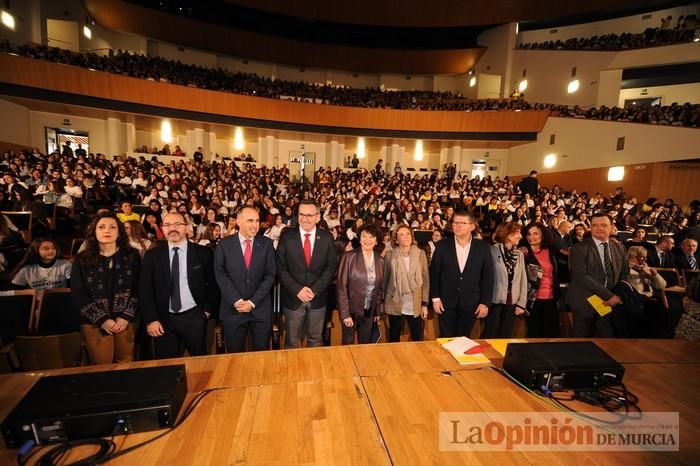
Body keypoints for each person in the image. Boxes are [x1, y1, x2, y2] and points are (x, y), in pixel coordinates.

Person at [139, 212, 219, 359]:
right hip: (163, 321)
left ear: (186, 227)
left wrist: (206, 312)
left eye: (177, 224)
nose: (172, 229)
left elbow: (214, 286)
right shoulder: (152, 256)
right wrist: (151, 319)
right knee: (166, 368)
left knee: (200, 363)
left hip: (194, 317)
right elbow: (145, 291)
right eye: (167, 225)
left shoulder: (203, 253)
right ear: (162, 229)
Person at [71, 212, 140, 364]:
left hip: (126, 321)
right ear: (94, 232)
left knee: (126, 362)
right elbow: (78, 294)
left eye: (112, 227)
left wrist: (126, 316)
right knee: (102, 365)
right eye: (101, 227)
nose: (106, 231)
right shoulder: (82, 259)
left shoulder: (132, 256)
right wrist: (102, 320)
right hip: (94, 322)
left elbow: (139, 289)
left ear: (119, 232)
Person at [276, 199, 337, 348]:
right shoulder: (287, 237)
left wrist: (314, 290)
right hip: (292, 298)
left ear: (317, 217)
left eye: (309, 215)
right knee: (291, 341)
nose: (304, 219)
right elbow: (280, 267)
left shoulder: (327, 238)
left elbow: (331, 268)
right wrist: (298, 289)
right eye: (301, 214)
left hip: (318, 298)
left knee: (315, 341)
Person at [215, 206, 276, 352]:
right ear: (238, 222)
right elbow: (220, 274)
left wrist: (252, 302)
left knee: (262, 356)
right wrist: (236, 300)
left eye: (257, 221)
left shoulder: (267, 244)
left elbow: (270, 275)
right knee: (235, 356)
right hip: (233, 309)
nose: (254, 225)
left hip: (260, 309)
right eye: (250, 220)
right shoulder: (224, 244)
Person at [429, 210, 493, 338]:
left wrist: (485, 303)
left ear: (472, 226)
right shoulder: (442, 246)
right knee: (446, 339)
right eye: (455, 222)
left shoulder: (483, 247)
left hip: (471, 303)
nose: (457, 226)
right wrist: (435, 298)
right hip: (446, 302)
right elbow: (434, 274)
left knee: (464, 340)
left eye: (462, 223)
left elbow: (488, 277)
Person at [567, 212, 629, 337]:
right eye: (595, 225)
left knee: (608, 339)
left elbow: (624, 273)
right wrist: (608, 295)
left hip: (609, 303)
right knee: (581, 341)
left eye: (604, 225)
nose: (599, 228)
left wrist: (617, 295)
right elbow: (580, 276)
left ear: (611, 227)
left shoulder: (620, 248)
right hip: (586, 300)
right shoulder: (579, 248)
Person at [337, 224, 384, 344]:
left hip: (369, 310)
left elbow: (379, 290)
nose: (367, 240)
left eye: (371, 237)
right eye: (364, 236)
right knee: (348, 344)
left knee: (365, 344)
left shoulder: (380, 260)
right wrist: (345, 314)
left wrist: (377, 311)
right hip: (351, 311)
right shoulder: (349, 257)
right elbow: (342, 287)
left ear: (376, 240)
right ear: (359, 238)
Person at [383, 225, 429, 342]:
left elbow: (425, 280)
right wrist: (382, 302)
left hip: (415, 301)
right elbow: (385, 280)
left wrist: (424, 304)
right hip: (394, 301)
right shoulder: (390, 255)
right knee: (394, 336)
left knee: (417, 336)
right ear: (396, 239)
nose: (406, 237)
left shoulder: (420, 254)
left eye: (408, 234)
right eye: (401, 234)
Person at [483, 222, 528, 338]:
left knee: (505, 335)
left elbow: (523, 280)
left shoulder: (519, 254)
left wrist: (521, 304)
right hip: (494, 302)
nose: (521, 236)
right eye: (517, 233)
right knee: (490, 334)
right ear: (507, 234)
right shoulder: (491, 251)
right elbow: (485, 278)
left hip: (512, 303)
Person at [521, 223, 561, 337]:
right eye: (528, 234)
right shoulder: (523, 252)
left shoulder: (551, 251)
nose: (531, 237)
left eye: (535, 233)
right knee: (534, 332)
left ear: (543, 235)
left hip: (551, 298)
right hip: (532, 300)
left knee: (552, 332)